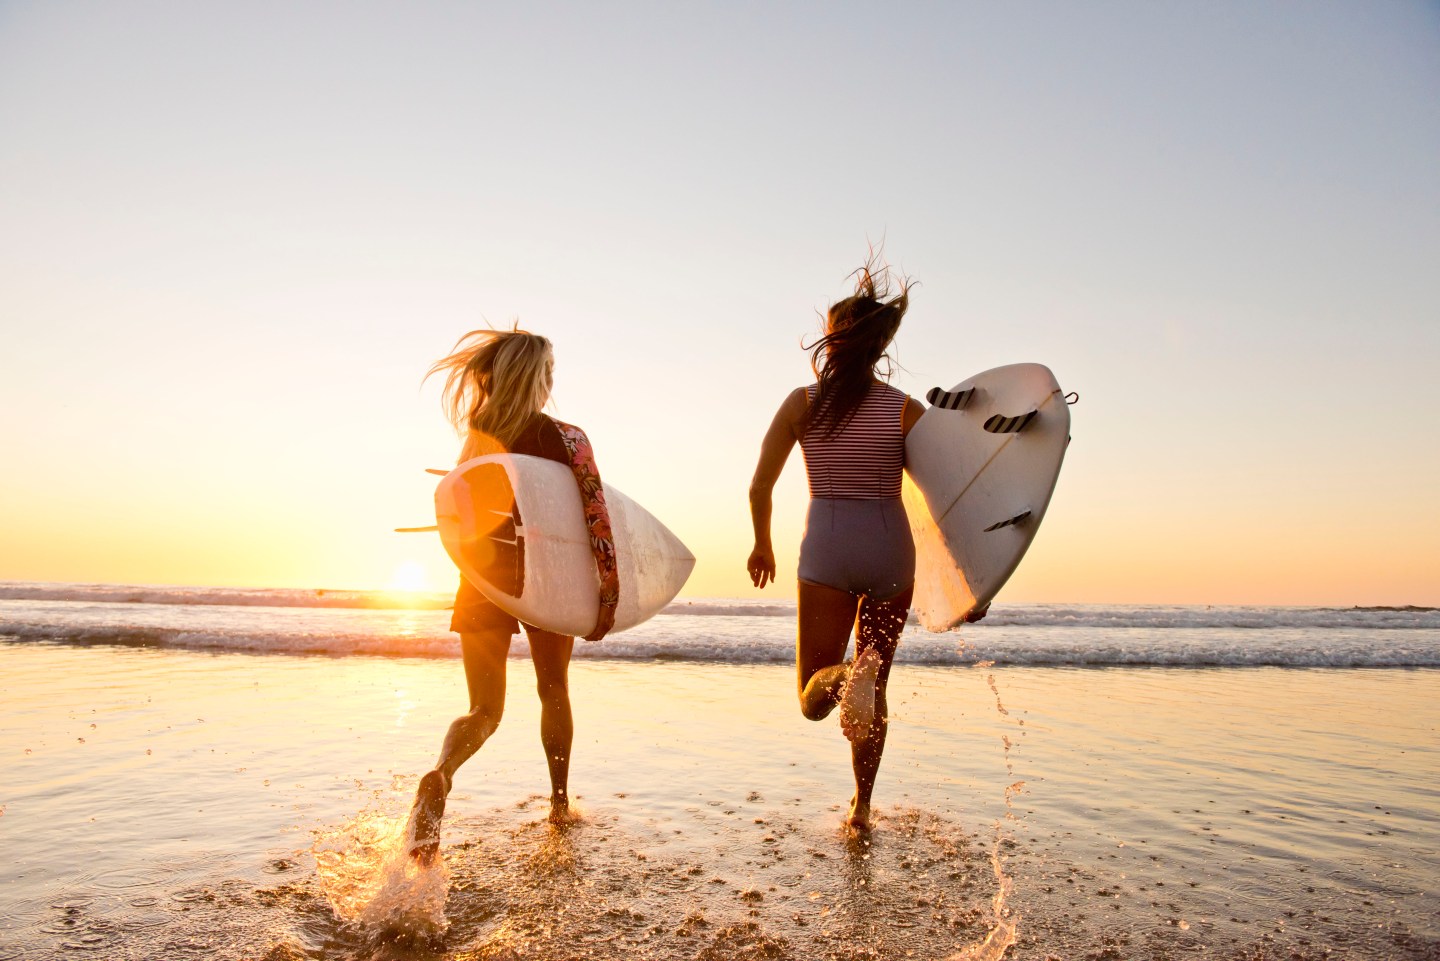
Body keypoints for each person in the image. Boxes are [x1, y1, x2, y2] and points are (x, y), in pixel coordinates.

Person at [406, 328, 618, 863]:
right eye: (549, 373)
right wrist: (607, 596)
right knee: (553, 691)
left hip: (484, 583)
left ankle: (442, 772)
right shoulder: (568, 438)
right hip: (549, 582)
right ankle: (559, 803)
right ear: (538, 379)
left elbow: (463, 519)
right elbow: (597, 519)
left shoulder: (478, 436)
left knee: (483, 709)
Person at [746, 258, 925, 834]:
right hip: (892, 551)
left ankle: (847, 674)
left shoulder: (803, 402)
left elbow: (759, 484)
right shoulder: (905, 409)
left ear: (833, 340)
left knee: (814, 697)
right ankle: (862, 806)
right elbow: (950, 502)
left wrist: (762, 545)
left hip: (826, 549)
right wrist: (978, 580)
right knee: (876, 694)